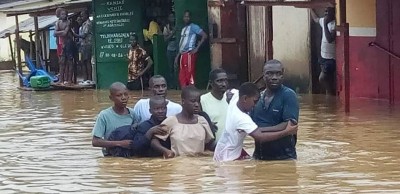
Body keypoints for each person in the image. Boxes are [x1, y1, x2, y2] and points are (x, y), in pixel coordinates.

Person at [213, 82, 298, 162]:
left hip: (221, 150)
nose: (256, 105)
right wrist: (287, 132)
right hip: (229, 158)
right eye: (255, 101)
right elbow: (260, 137)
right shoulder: (242, 118)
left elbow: (231, 91)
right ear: (245, 99)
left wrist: (228, 92)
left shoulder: (235, 98)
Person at [250, 60, 300, 160]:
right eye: (269, 74)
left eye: (278, 74)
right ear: (263, 76)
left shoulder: (289, 95)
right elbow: (248, 121)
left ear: (283, 76)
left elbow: (289, 125)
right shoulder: (257, 97)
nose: (274, 77)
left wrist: (259, 131)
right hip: (259, 157)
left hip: (284, 158)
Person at [151, 86, 215, 158]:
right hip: (178, 164)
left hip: (199, 164)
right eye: (193, 101)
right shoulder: (171, 121)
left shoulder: (202, 121)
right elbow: (154, 140)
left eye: (198, 101)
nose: (197, 105)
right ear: (183, 101)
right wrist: (166, 151)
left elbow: (209, 143)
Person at [91, 82, 139, 156]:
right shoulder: (104, 115)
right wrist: (120, 143)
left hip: (129, 154)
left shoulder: (132, 114)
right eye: (119, 95)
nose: (123, 98)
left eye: (125, 94)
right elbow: (95, 142)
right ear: (111, 98)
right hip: (111, 156)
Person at [175, 10, 208, 88]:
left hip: (189, 53)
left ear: (190, 18)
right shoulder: (183, 29)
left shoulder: (193, 27)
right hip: (182, 54)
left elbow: (204, 35)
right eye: (185, 16)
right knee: (182, 75)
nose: (186, 18)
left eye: (188, 16)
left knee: (189, 74)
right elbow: (182, 44)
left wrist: (196, 48)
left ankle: (191, 91)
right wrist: (177, 57)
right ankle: (185, 92)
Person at [311, 7, 336, 95]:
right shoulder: (323, 20)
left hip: (331, 58)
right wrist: (310, 8)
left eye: (328, 12)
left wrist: (325, 24)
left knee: (322, 78)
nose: (325, 14)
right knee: (327, 78)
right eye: (325, 11)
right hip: (323, 56)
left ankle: (330, 94)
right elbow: (316, 19)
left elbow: (329, 39)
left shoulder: (334, 25)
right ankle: (329, 96)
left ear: (333, 14)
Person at [200, 68, 229, 141]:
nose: (224, 84)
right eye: (219, 81)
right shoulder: (202, 100)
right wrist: (208, 125)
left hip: (231, 146)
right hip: (212, 147)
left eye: (225, 80)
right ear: (211, 83)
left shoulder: (232, 98)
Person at [74, 10, 93, 83]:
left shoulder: (88, 24)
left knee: (87, 61)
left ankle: (89, 79)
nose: (81, 17)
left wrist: (74, 34)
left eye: (82, 15)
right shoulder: (83, 25)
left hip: (87, 45)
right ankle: (85, 79)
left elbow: (84, 35)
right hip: (82, 45)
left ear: (87, 15)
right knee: (83, 62)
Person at [54, 8, 71, 85]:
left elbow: (65, 33)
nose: (63, 15)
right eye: (62, 14)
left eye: (65, 14)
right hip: (61, 43)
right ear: (60, 15)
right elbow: (54, 33)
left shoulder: (68, 22)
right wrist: (61, 31)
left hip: (68, 43)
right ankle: (61, 80)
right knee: (61, 62)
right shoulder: (58, 22)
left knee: (69, 62)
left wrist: (58, 32)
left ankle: (68, 79)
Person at [163, 13, 178, 89]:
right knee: (171, 68)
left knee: (177, 68)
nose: (173, 18)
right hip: (170, 50)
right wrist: (173, 33)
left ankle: (178, 85)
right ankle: (172, 85)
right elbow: (165, 40)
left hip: (178, 50)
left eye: (174, 17)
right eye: (171, 17)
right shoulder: (166, 27)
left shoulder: (178, 26)